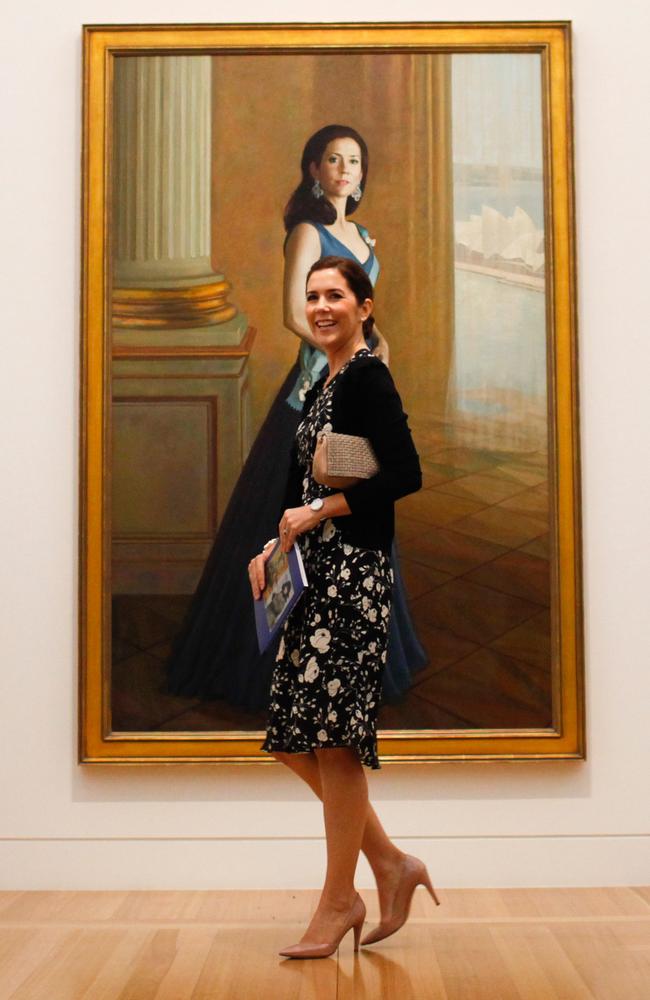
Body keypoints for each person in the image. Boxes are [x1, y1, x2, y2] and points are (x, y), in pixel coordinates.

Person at [166, 124, 426, 711]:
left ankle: (350, 653)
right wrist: (346, 355)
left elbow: (360, 312)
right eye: (332, 159)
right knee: (289, 517)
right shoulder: (306, 233)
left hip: (357, 392)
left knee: (357, 511)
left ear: (362, 174)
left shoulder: (360, 235)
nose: (343, 168)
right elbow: (292, 312)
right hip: (313, 394)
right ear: (314, 169)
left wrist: (376, 348)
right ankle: (271, 662)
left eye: (353, 160)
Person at [250, 256, 440, 958]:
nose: (321, 306)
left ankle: (338, 901)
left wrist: (317, 513)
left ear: (365, 305)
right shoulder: (325, 379)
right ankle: (390, 865)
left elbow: (406, 474)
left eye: (335, 295)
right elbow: (307, 480)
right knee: (300, 736)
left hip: (354, 576)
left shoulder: (367, 377)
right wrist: (275, 541)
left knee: (334, 739)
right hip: (312, 574)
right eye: (312, 296)